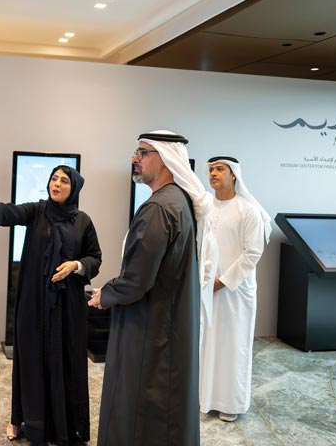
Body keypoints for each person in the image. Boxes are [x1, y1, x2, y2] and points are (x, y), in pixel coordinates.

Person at [89, 130, 216, 446]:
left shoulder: (159, 208)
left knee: (140, 407)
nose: (135, 159)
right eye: (136, 152)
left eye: (143, 152)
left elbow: (136, 279)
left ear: (166, 158)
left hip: (151, 326)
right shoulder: (177, 201)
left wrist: (106, 294)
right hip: (166, 323)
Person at [0, 165, 102, 445]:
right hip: (34, 303)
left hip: (67, 308)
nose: (56, 184)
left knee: (66, 362)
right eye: (53, 179)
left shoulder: (83, 221)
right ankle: (26, 421)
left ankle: (66, 427)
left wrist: (75, 265)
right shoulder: (37, 211)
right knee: (31, 361)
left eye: (64, 181)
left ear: (74, 188)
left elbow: (94, 258)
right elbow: (12, 212)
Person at [199, 156, 271, 422]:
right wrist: (206, 280)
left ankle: (231, 403)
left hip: (235, 291)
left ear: (234, 175)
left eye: (220, 169)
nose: (213, 173)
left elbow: (253, 253)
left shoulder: (247, 210)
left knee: (233, 345)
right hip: (207, 288)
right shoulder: (205, 208)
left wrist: (223, 281)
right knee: (207, 343)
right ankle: (205, 398)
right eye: (211, 169)